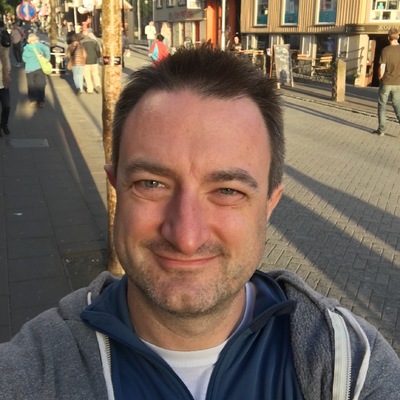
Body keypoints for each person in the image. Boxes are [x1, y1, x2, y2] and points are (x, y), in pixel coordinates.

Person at [0, 48, 400, 399]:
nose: (186, 237)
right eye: (151, 184)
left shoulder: (348, 365)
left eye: (227, 190)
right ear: (116, 188)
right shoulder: (35, 368)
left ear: (269, 204)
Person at [373, 28, 400, 137]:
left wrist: (380, 77)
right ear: (398, 36)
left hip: (386, 82)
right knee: (397, 104)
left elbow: (382, 67)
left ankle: (381, 130)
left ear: (388, 37)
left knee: (382, 105)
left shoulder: (385, 50)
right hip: (398, 83)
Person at [22, 33, 50, 108]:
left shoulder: (26, 47)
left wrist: (29, 61)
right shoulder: (39, 45)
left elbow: (24, 59)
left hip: (29, 69)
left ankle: (33, 100)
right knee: (40, 84)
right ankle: (41, 101)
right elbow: (47, 49)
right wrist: (47, 58)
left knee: (31, 85)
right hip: (39, 68)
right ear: (36, 39)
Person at [80, 28, 101, 94]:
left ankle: (90, 89)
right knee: (95, 74)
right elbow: (98, 50)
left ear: (83, 35)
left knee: (87, 76)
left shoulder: (81, 42)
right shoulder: (94, 41)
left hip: (85, 61)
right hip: (94, 60)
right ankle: (97, 85)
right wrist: (98, 56)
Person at [0, 39, 11, 136]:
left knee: (7, 106)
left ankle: (4, 124)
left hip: (3, 85)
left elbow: (8, 67)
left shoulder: (3, 53)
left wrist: (7, 73)